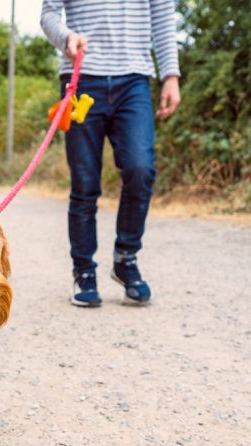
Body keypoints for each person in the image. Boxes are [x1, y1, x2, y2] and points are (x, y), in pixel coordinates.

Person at [41, 0, 181, 306]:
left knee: (140, 169)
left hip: (133, 80)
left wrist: (170, 74)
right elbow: (48, 14)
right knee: (85, 182)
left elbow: (162, 16)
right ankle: (84, 271)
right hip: (81, 78)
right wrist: (66, 38)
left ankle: (126, 258)